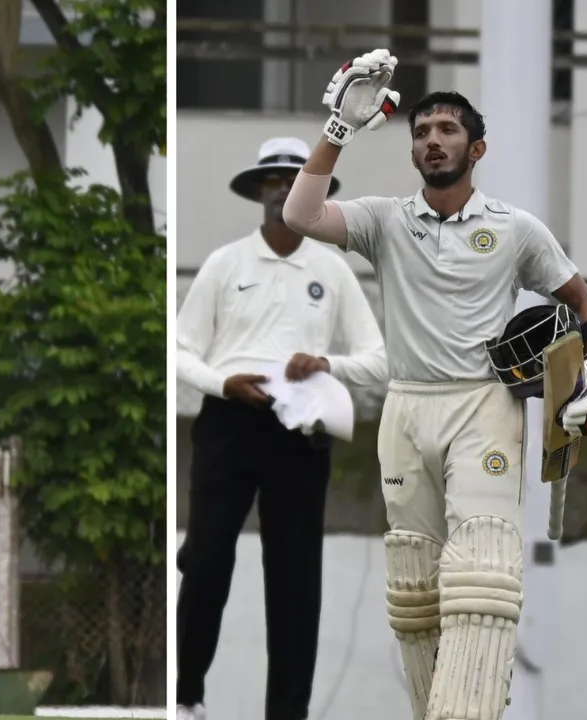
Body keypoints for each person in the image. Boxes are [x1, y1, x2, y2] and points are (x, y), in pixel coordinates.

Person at [282, 50, 587, 720]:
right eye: (422, 130)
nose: (432, 139)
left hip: (483, 406)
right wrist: (338, 128)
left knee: (480, 578)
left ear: (477, 147)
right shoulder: (385, 221)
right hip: (405, 411)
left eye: (447, 129)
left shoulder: (515, 229)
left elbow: (586, 300)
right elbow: (299, 216)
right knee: (415, 590)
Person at [175, 136, 388, 720]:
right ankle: (186, 695)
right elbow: (179, 349)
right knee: (206, 558)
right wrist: (224, 383)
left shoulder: (332, 269)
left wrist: (326, 364)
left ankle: (287, 713)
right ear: (259, 192)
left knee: (295, 577)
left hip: (301, 428)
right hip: (229, 420)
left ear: (309, 190)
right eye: (272, 180)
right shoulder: (226, 263)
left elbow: (377, 359)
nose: (282, 189)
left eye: (293, 179)